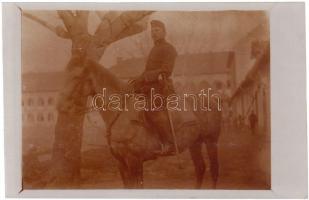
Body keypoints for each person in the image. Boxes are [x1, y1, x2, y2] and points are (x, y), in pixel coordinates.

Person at [129, 20, 178, 155]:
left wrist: (146, 77)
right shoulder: (154, 49)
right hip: (149, 86)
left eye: (157, 30)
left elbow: (166, 70)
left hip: (162, 86)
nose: (153, 33)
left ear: (164, 32)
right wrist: (136, 81)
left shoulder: (169, 49)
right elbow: (147, 71)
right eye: (152, 30)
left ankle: (168, 143)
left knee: (153, 110)